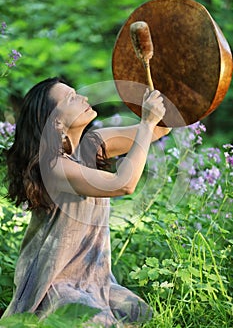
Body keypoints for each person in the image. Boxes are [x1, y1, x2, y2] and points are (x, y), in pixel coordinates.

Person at [2, 77, 170, 326]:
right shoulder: (54, 168)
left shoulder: (92, 145)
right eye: (71, 98)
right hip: (56, 283)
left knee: (141, 314)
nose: (84, 98)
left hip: (96, 280)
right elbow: (124, 183)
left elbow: (158, 130)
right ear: (55, 122)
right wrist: (146, 121)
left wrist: (161, 91)